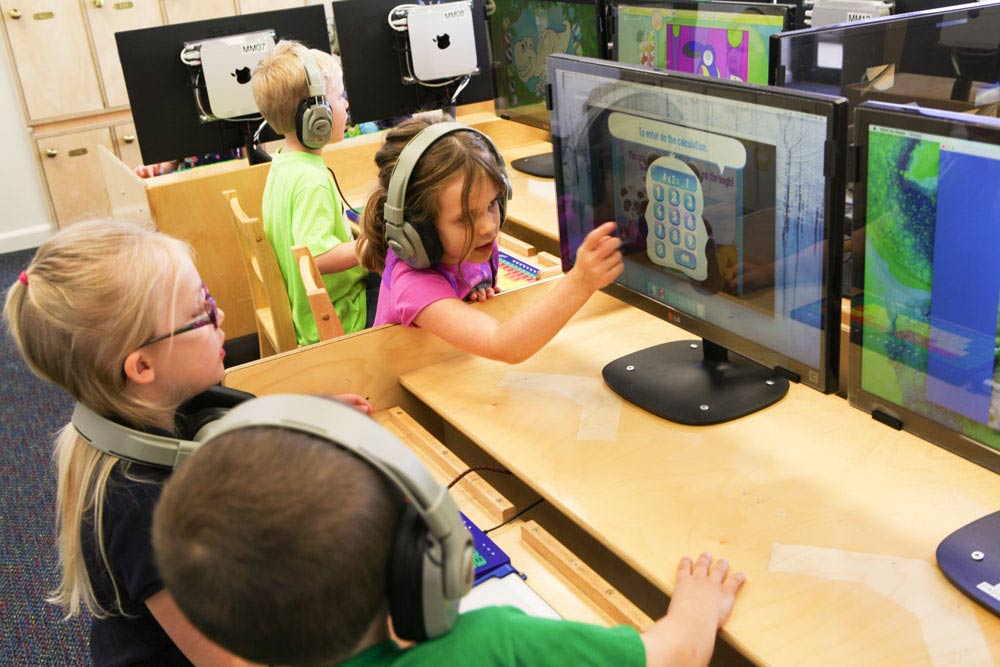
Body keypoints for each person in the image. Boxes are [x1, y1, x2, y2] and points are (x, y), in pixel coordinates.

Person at [2, 220, 371, 667]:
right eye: (202, 311)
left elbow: (235, 435)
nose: (222, 319)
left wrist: (304, 418)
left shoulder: (173, 412)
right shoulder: (142, 512)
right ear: (142, 367)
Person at [151, 404, 746, 667]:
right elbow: (672, 657)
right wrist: (694, 608)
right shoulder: (488, 645)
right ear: (421, 567)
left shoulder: (256, 649)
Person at [357, 116, 624, 363]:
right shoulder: (413, 284)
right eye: (465, 218)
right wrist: (580, 281)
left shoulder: (469, 244)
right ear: (419, 229)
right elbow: (502, 345)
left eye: (493, 202)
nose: (488, 227)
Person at [251, 40, 376, 343]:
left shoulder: (283, 163)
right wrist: (374, 247)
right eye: (340, 96)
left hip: (307, 310)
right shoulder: (311, 180)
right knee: (412, 290)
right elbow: (317, 256)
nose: (346, 104)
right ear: (315, 116)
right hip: (339, 316)